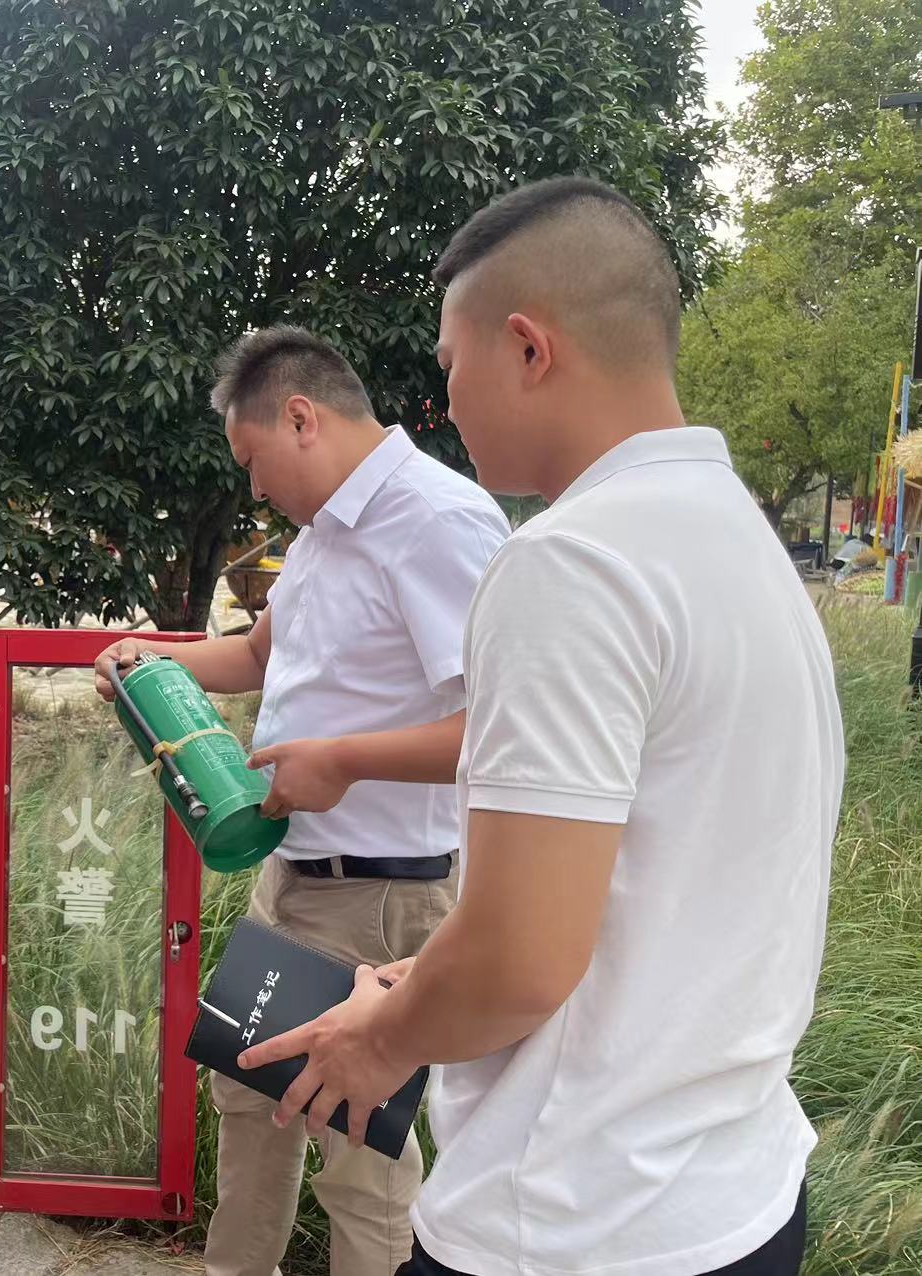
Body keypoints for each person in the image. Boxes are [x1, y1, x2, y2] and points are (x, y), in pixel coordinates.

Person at [241, 178, 841, 1276]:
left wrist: (381, 1037)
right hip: (733, 1189)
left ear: (527, 347)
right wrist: (419, 978)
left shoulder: (570, 561)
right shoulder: (738, 538)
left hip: (573, 1217)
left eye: (450, 363)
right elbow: (659, 878)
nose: (445, 402)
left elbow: (520, 961)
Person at [97, 326, 509, 1276]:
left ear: (300, 417)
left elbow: (502, 728)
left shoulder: (438, 521)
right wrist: (147, 661)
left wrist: (346, 764)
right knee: (251, 1096)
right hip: (289, 877)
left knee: (359, 1149)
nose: (251, 488)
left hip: (383, 895)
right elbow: (255, 656)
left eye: (252, 461)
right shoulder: (323, 532)